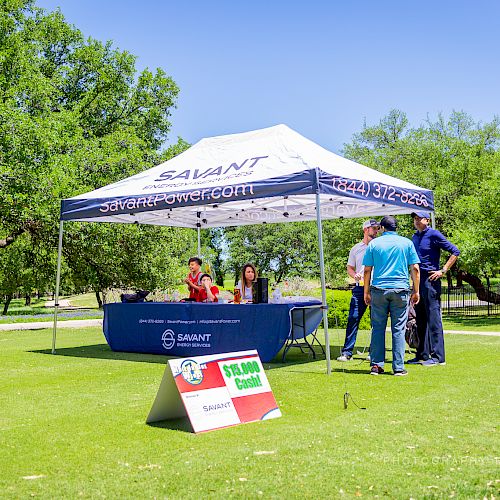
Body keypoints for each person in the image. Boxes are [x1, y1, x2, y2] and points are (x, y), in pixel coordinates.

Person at [363, 216, 420, 376]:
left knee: (378, 328)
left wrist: (366, 292)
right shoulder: (407, 243)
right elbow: (415, 269)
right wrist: (416, 291)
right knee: (398, 329)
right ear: (396, 228)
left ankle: (376, 365)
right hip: (400, 290)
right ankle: (398, 367)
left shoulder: (374, 244)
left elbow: (367, 270)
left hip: (379, 290)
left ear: (381, 228)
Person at [409, 211, 460, 366]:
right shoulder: (414, 237)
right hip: (418, 280)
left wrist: (443, 270)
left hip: (431, 281)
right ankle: (422, 354)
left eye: (420, 219)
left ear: (427, 220)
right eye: (415, 219)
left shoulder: (434, 234)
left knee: (433, 319)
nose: (417, 221)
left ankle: (438, 357)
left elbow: (455, 251)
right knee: (420, 318)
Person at [337, 219, 380, 361]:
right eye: (373, 228)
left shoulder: (380, 246)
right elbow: (350, 267)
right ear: (365, 230)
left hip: (376, 287)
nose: (376, 231)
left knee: (376, 321)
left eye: (377, 228)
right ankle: (347, 352)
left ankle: (373, 352)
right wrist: (354, 274)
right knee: (353, 318)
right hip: (360, 288)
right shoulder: (356, 248)